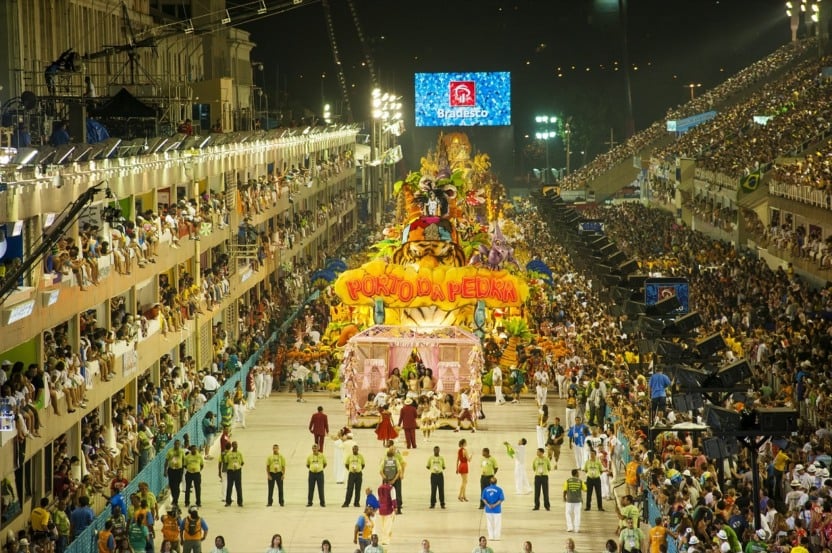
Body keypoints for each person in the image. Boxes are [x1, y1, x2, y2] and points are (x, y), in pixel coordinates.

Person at [380, 444, 404, 514]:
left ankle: (397, 508)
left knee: (395, 494)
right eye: (391, 450)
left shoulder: (385, 459)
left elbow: (381, 471)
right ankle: (393, 508)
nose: (392, 451)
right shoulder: (395, 460)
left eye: (393, 450)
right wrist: (393, 480)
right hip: (394, 479)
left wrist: (386, 479)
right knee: (395, 493)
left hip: (389, 479)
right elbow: (399, 470)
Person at [563, 468, 587, 533]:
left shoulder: (567, 481)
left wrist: (564, 497)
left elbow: (565, 490)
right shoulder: (580, 481)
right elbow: (585, 489)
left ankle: (570, 527)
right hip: (578, 501)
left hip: (569, 500)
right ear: (576, 474)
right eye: (578, 473)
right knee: (577, 514)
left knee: (568, 513)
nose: (579, 474)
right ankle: (577, 528)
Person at [166, 439, 186, 507]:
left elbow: (183, 460)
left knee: (177, 486)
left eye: (178, 444)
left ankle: (175, 500)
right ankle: (174, 498)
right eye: (176, 444)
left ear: (179, 445)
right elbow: (166, 461)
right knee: (171, 485)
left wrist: (182, 470)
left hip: (178, 470)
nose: (177, 445)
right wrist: (164, 471)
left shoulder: (181, 451)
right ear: (174, 444)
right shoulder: (170, 451)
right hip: (171, 470)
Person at [223, 441, 244, 507]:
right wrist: (231, 466)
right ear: (232, 446)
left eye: (236, 445)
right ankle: (228, 502)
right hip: (230, 471)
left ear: (237, 446)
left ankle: (240, 502)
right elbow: (226, 462)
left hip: (237, 471)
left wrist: (237, 466)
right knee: (229, 487)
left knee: (238, 487)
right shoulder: (228, 454)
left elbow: (242, 462)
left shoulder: (239, 453)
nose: (235, 446)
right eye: (234, 445)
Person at [377, 478, 397, 545]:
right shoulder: (391, 488)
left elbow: (378, 499)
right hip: (388, 510)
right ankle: (386, 540)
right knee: (388, 526)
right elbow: (393, 499)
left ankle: (382, 538)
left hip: (381, 509)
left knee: (382, 526)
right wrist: (395, 507)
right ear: (389, 482)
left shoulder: (379, 488)